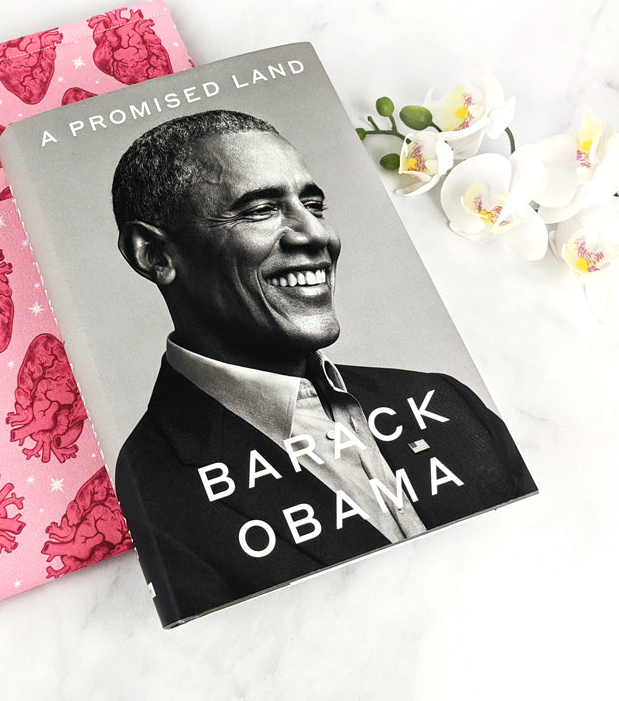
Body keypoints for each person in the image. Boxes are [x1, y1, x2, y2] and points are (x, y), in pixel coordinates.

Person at [111, 110, 536, 626]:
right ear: (154, 255)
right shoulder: (152, 493)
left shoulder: (447, 401)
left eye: (314, 205)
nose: (316, 234)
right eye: (260, 210)